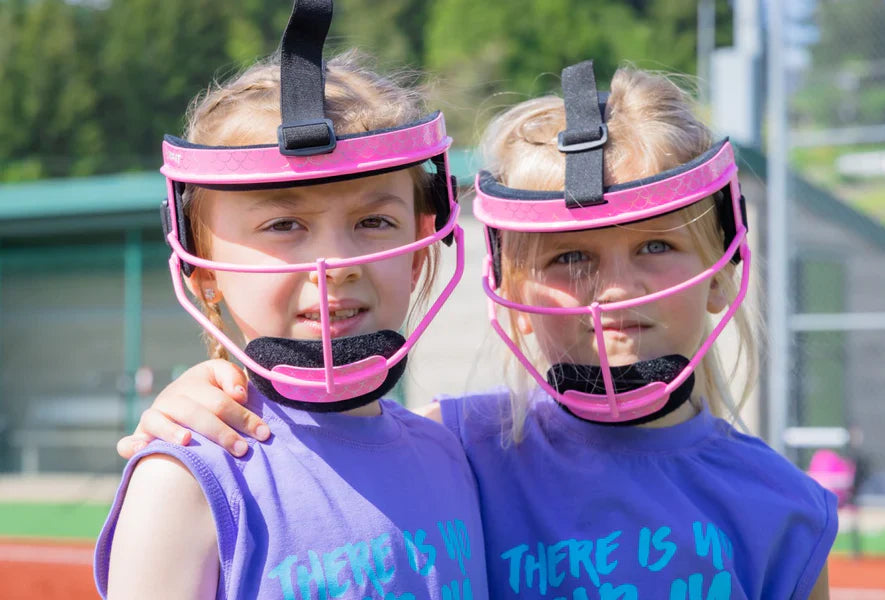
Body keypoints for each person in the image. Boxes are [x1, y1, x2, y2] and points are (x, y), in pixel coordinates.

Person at [115, 61, 836, 598]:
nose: (615, 290)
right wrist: (197, 393)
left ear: (721, 270)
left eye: (655, 245)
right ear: (513, 289)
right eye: (573, 256)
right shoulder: (469, 447)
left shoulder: (785, 509)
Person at [93, 1, 488, 598]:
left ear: (417, 249)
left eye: (375, 221)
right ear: (203, 271)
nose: (333, 265)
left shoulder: (450, 454)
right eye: (283, 225)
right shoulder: (187, 483)